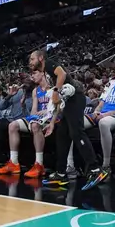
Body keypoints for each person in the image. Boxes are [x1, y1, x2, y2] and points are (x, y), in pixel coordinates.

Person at [29, 50, 106, 190]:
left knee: (77, 132)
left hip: (76, 98)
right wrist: (52, 122)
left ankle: (95, 169)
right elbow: (58, 101)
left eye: (32, 59)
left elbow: (62, 74)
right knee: (62, 135)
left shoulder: (49, 64)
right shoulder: (48, 75)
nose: (30, 62)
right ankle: (60, 173)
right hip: (68, 102)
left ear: (40, 58)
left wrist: (56, 91)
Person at [0, 70, 59, 178]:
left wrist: (46, 112)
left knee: (35, 125)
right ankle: (13, 163)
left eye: (34, 74)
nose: (32, 76)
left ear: (42, 74)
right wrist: (32, 115)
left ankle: (39, 164)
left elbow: (57, 109)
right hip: (39, 118)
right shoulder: (35, 91)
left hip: (51, 118)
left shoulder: (54, 89)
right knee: (13, 125)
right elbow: (34, 110)